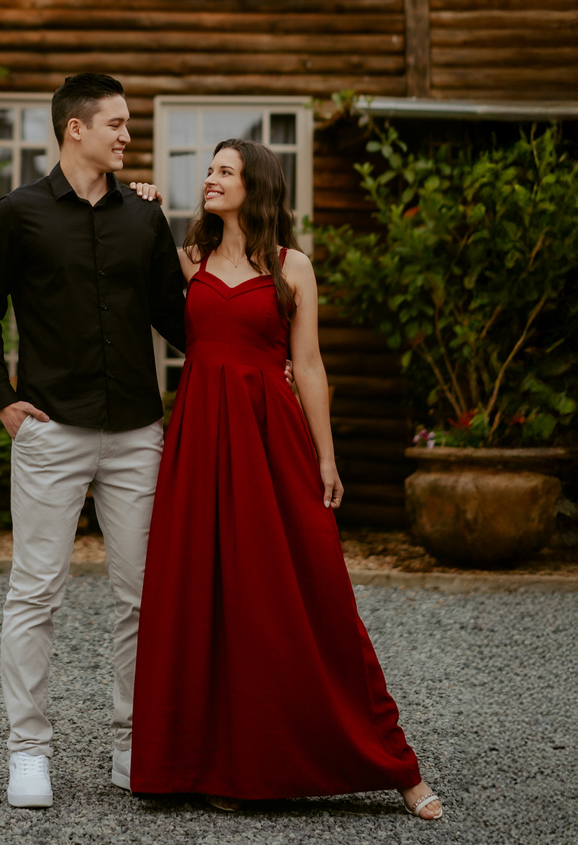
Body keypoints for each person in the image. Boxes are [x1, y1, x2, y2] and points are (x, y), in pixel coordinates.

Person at [131, 139, 443, 821]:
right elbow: (125, 266)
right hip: (199, 440)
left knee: (309, 586)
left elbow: (309, 366)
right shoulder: (190, 259)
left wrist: (326, 457)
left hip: (271, 438)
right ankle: (216, 766)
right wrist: (143, 204)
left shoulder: (292, 266)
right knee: (203, 593)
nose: (210, 179)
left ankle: (395, 764)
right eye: (209, 170)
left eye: (225, 171)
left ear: (258, 185)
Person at [0, 73, 185, 809]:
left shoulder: (144, 217)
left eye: (128, 124)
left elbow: (176, 316)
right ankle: (28, 752)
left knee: (143, 598)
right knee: (35, 594)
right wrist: (4, 402)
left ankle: (133, 746)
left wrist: (250, 356)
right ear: (75, 129)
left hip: (136, 434)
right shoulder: (19, 213)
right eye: (116, 123)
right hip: (51, 432)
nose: (128, 135)